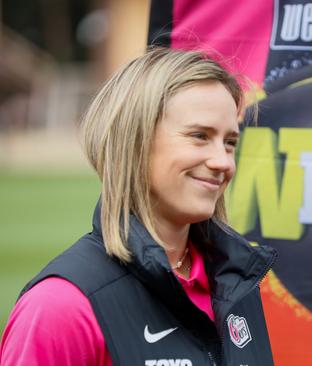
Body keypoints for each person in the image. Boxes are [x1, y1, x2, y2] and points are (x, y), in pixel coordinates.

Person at [0, 47, 276, 365]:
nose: (222, 161)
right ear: (135, 141)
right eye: (199, 136)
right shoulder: (60, 306)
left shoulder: (234, 283)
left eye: (230, 143)